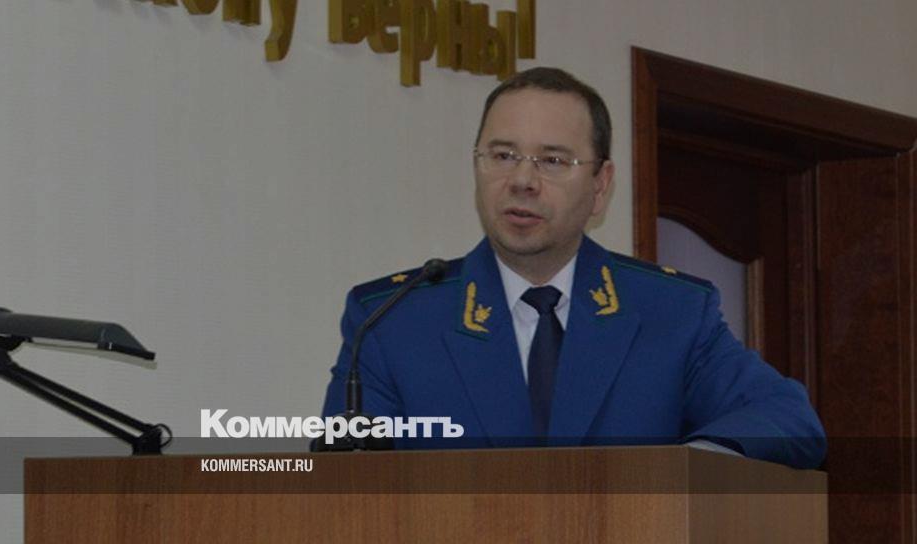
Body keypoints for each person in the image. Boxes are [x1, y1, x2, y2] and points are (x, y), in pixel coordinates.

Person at [320, 67, 826, 469]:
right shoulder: (391, 320)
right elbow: (343, 489)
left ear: (601, 185)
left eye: (553, 161)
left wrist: (690, 469)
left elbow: (788, 419)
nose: (522, 180)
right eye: (503, 155)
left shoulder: (671, 313)